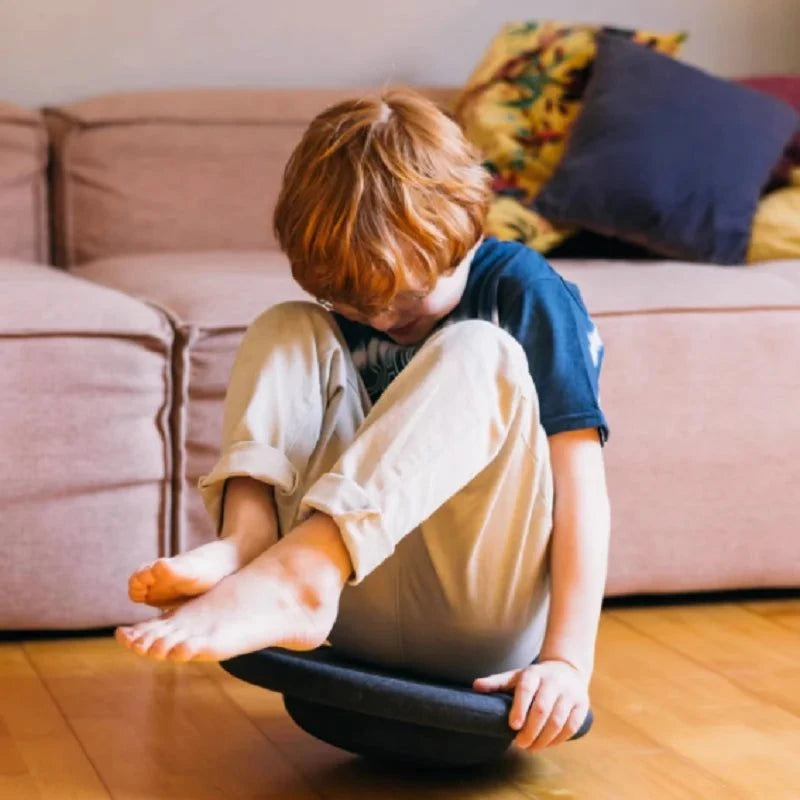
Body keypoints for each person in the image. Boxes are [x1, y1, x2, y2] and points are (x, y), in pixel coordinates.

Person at [115, 88, 611, 752]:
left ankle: (301, 574)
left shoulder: (525, 292)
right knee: (287, 326)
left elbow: (582, 492)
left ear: (467, 229)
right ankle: (252, 547)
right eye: (352, 299)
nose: (381, 318)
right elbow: (329, 335)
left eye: (406, 297)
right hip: (350, 607)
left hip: (477, 610)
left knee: (478, 351)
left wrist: (568, 662)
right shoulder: (353, 301)